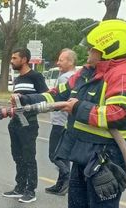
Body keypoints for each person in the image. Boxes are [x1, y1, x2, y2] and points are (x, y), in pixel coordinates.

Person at [19, 19, 126, 208]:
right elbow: (56, 94)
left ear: (109, 48)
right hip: (84, 152)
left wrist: (78, 108)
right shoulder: (86, 73)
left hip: (108, 156)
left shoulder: (122, 75)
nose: (89, 52)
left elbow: (119, 114)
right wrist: (26, 101)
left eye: (94, 48)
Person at [2, 48, 49, 203]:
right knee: (17, 155)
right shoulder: (18, 79)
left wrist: (25, 98)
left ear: (24, 59)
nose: (12, 61)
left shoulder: (36, 77)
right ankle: (20, 186)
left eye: (15, 58)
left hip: (28, 123)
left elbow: (45, 97)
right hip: (15, 121)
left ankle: (31, 190)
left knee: (29, 157)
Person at [45, 48, 77, 196]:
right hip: (68, 123)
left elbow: (59, 99)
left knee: (54, 155)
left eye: (61, 60)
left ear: (70, 62)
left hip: (60, 123)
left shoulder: (65, 78)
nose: (58, 63)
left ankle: (67, 179)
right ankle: (61, 185)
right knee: (63, 155)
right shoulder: (75, 76)